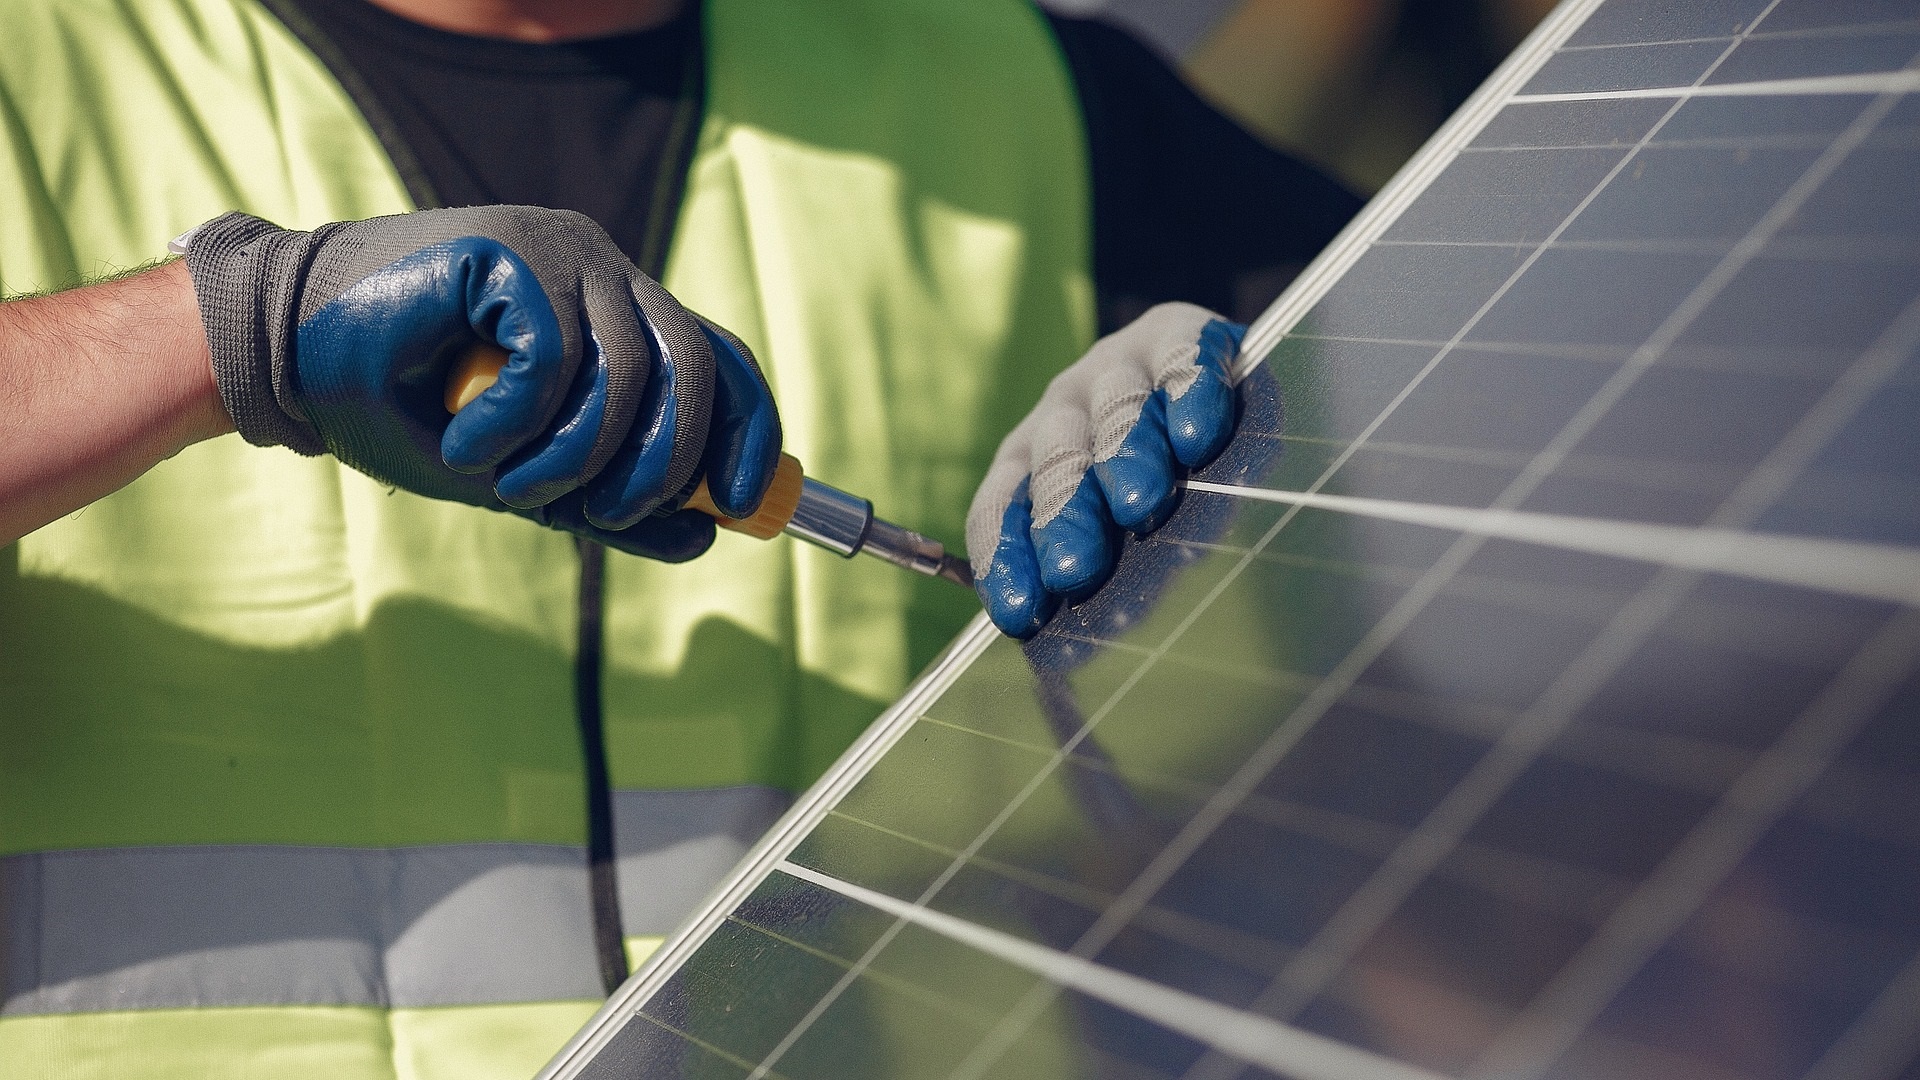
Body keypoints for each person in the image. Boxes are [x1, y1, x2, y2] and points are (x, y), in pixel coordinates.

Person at [0, 0, 1360, 1076]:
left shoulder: (1034, 95)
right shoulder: (38, 67)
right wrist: (220, 331)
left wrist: (1269, 415)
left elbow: (1505, 423)